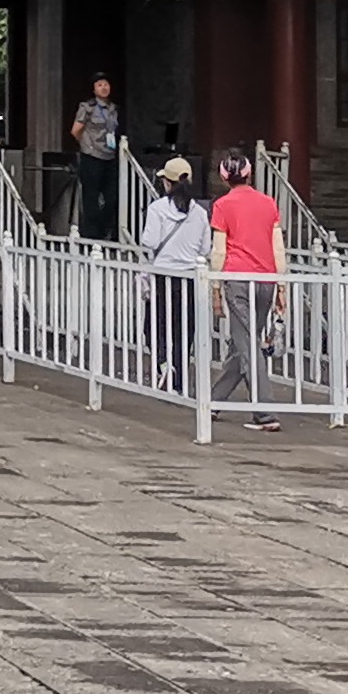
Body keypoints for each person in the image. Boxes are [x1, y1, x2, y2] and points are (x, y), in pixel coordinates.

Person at [209, 149, 286, 432]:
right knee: (243, 342)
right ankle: (214, 401)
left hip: (238, 279)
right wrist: (282, 285)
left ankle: (265, 412)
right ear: (249, 174)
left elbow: (219, 251)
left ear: (224, 178)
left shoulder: (222, 205)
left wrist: (215, 287)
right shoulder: (268, 203)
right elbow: (278, 248)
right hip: (266, 280)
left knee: (247, 343)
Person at [137, 154, 210, 388]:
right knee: (183, 330)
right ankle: (179, 379)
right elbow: (205, 249)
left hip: (162, 275)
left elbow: (149, 242)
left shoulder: (157, 209)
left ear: (167, 183)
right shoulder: (199, 213)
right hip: (189, 277)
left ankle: (163, 363)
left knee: (154, 326)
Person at [72, 77, 125, 242]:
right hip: (92, 156)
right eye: (99, 85)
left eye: (106, 84)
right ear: (94, 89)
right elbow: (76, 130)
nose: (104, 88)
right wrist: (87, 145)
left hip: (109, 156)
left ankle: (104, 230)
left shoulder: (113, 108)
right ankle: (91, 235)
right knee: (91, 198)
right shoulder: (87, 107)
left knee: (112, 198)